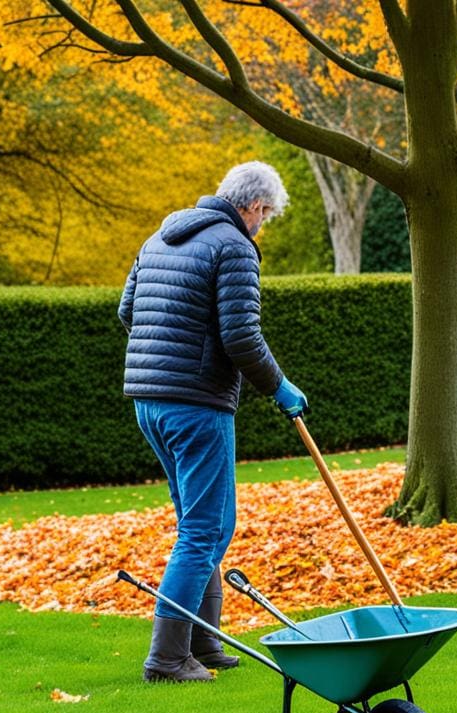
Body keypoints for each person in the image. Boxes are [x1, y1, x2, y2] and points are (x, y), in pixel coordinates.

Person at [117, 161, 309, 683]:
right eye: (266, 215)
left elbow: (127, 311)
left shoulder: (161, 234)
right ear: (255, 206)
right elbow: (241, 337)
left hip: (148, 401)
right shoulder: (235, 246)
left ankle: (203, 639)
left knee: (198, 527)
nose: (262, 225)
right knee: (206, 529)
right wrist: (279, 387)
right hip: (196, 404)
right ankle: (168, 658)